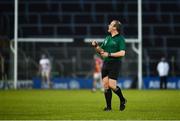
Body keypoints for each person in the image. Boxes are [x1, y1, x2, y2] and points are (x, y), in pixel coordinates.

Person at [91, 20, 127, 111]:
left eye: (110, 24)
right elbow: (101, 51)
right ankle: (109, 107)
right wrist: (96, 46)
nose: (108, 25)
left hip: (115, 63)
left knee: (112, 85)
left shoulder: (120, 39)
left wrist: (109, 54)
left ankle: (122, 99)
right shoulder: (107, 38)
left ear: (115, 28)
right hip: (106, 63)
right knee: (106, 85)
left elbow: (122, 53)